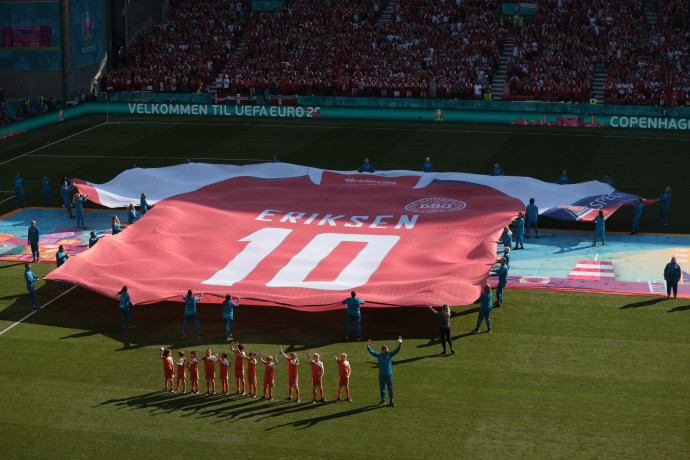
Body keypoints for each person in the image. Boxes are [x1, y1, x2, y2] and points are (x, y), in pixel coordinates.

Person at [366, 336, 402, 407]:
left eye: (388, 350)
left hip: (389, 374)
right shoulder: (379, 355)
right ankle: (383, 400)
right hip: (382, 374)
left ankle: (391, 401)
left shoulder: (389, 354)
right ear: (383, 350)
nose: (388, 351)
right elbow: (372, 352)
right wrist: (367, 345)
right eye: (386, 350)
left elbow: (396, 350)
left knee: (390, 388)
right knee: (382, 388)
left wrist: (400, 343)